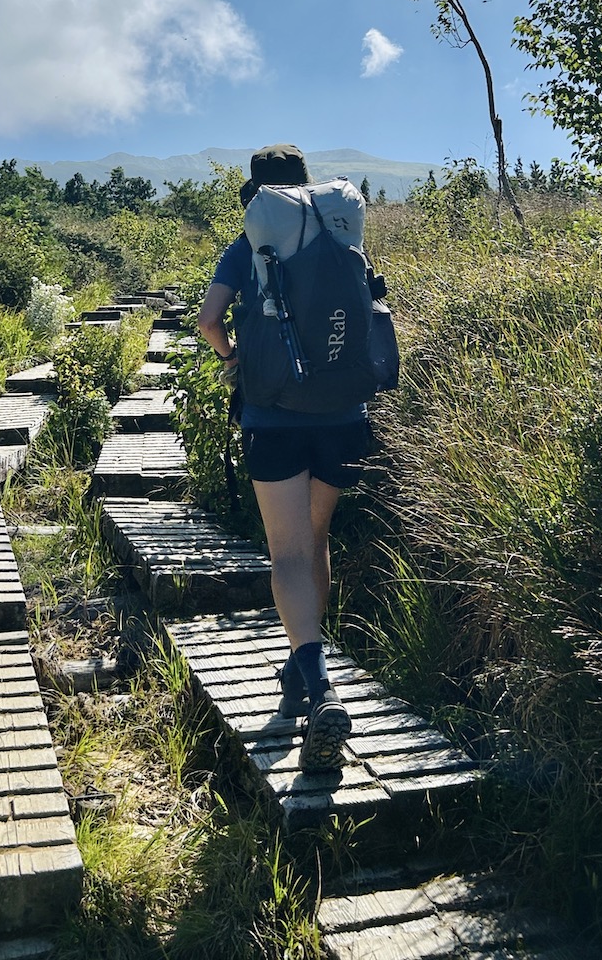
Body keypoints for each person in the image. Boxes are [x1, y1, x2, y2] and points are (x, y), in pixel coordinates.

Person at [196, 143, 373, 770]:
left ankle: (320, 686)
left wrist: (232, 361)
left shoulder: (250, 243)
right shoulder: (344, 233)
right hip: (346, 416)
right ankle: (303, 665)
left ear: (258, 193)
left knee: (288, 551)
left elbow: (209, 322)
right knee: (316, 538)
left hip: (274, 417)